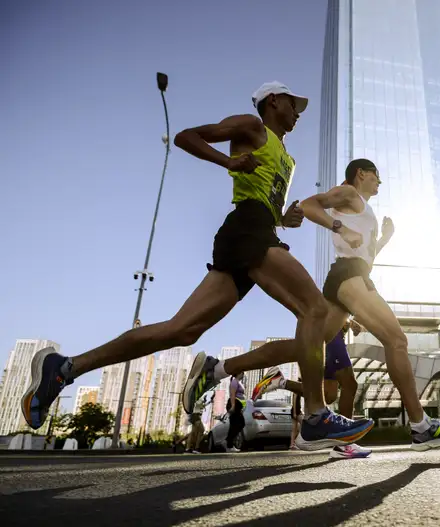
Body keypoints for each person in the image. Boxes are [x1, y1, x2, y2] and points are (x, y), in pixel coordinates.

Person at [21, 81, 372, 451]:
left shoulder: (287, 157)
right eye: (292, 104)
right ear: (273, 101)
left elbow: (260, 196)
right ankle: (316, 416)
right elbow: (187, 137)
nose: (298, 112)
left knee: (181, 330)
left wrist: (284, 218)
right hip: (246, 231)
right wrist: (227, 160)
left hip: (257, 231)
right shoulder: (251, 127)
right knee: (314, 309)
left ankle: (65, 368)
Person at [301, 158, 440, 451]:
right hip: (349, 275)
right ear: (361, 173)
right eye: (377, 176)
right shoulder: (349, 192)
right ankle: (421, 427)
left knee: (312, 344)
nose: (379, 182)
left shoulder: (361, 206)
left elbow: (367, 256)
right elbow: (309, 205)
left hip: (348, 275)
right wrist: (340, 228)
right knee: (397, 340)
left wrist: (385, 238)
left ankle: (225, 367)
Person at [254, 318, 372, 458]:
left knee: (328, 395)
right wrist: (349, 321)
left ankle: (281, 382)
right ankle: (344, 444)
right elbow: (333, 304)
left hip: (332, 336)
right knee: (350, 384)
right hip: (333, 334)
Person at [225, 373, 247, 453]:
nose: (243, 374)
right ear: (238, 373)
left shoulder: (239, 382)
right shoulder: (234, 381)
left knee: (240, 423)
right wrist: (233, 405)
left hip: (238, 405)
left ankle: (229, 443)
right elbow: (232, 394)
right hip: (234, 403)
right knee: (236, 424)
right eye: (242, 372)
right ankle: (229, 444)